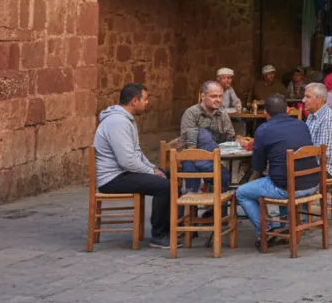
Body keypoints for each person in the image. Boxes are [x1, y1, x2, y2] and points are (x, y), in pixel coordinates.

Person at [235, 95, 321, 242]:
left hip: (287, 188)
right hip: (313, 184)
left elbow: (258, 166)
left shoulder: (263, 130)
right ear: (287, 110)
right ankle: (283, 225)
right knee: (281, 175)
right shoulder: (301, 125)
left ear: (265, 112)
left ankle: (265, 231)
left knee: (242, 192)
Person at [95, 83, 172, 249]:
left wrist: (153, 168)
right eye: (145, 99)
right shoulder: (117, 122)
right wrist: (151, 173)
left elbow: (136, 153)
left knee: (172, 174)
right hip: (114, 178)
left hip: (124, 173)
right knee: (164, 186)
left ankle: (173, 227)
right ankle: (159, 235)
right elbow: (127, 161)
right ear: (134, 100)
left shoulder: (126, 120)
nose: (147, 103)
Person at [303, 85, 332, 179]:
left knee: (286, 176)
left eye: (308, 97)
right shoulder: (312, 114)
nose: (303, 100)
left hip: (324, 169)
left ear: (319, 99)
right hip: (313, 163)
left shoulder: (329, 119)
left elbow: (324, 153)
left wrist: (301, 157)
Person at [180, 81, 236, 148]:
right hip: (196, 154)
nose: (218, 100)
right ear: (203, 96)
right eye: (214, 96)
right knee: (203, 134)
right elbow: (189, 144)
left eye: (220, 96)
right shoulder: (191, 113)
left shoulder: (223, 114)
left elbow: (230, 138)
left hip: (219, 154)